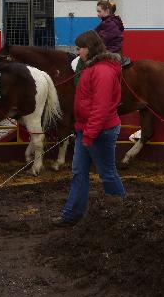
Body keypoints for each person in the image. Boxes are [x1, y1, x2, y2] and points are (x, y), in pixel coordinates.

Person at [53, 30, 126, 226]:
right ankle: (71, 215)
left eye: (80, 48)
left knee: (107, 173)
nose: (78, 52)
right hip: (87, 129)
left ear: (90, 48)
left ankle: (124, 213)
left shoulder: (102, 71)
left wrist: (89, 135)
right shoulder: (93, 68)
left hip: (99, 131)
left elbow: (101, 108)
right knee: (79, 172)